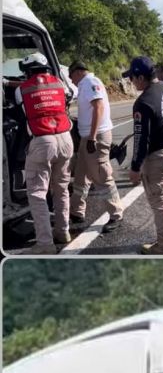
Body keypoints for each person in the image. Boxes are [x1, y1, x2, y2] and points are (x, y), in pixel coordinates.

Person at [123, 56, 163, 254]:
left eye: (132, 78)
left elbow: (142, 139)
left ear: (141, 77)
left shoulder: (143, 102)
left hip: (159, 156)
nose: (131, 83)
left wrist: (135, 167)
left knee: (160, 203)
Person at [14, 53, 74, 254]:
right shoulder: (59, 83)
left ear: (29, 71)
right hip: (65, 138)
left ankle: (45, 243)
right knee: (61, 188)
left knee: (38, 193)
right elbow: (69, 96)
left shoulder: (23, 89)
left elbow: (19, 109)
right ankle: (63, 231)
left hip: (42, 141)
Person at [68, 61, 123, 232]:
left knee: (101, 175)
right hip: (88, 136)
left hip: (96, 137)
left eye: (71, 76)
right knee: (81, 176)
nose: (71, 80)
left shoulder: (91, 83)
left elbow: (98, 107)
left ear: (77, 72)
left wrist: (92, 137)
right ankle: (77, 211)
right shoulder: (85, 85)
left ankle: (116, 215)